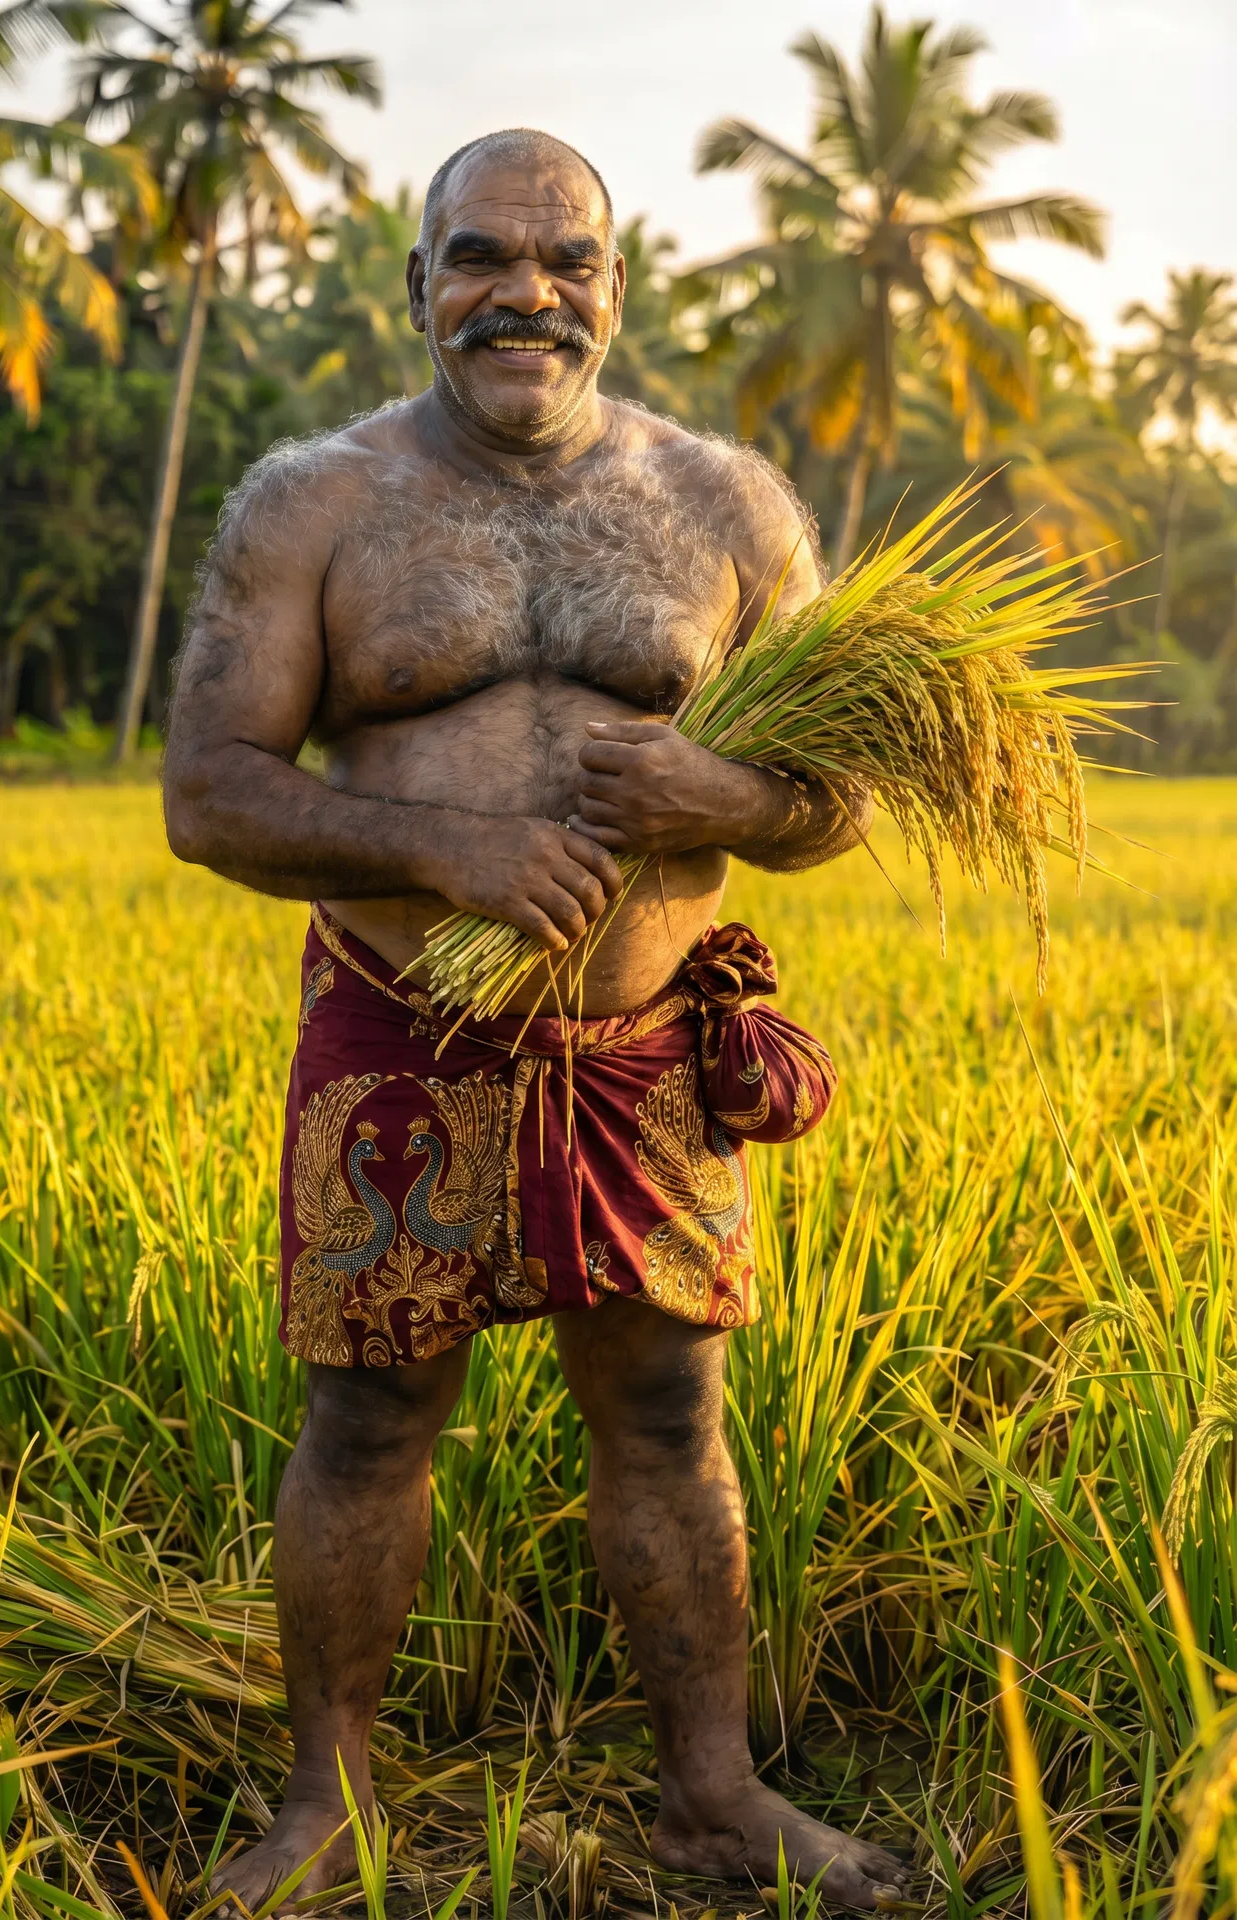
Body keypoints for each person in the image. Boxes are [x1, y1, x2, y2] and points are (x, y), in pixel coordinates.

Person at [164, 127, 909, 1913]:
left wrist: (720, 798)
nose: (526, 294)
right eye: (483, 256)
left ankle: (712, 1802)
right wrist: (450, 851)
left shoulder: (727, 508)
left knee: (666, 1416)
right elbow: (207, 791)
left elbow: (839, 802)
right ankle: (328, 1809)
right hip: (398, 1027)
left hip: (639, 1052)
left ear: (613, 288)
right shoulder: (315, 503)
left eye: (565, 260)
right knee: (367, 1416)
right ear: (416, 283)